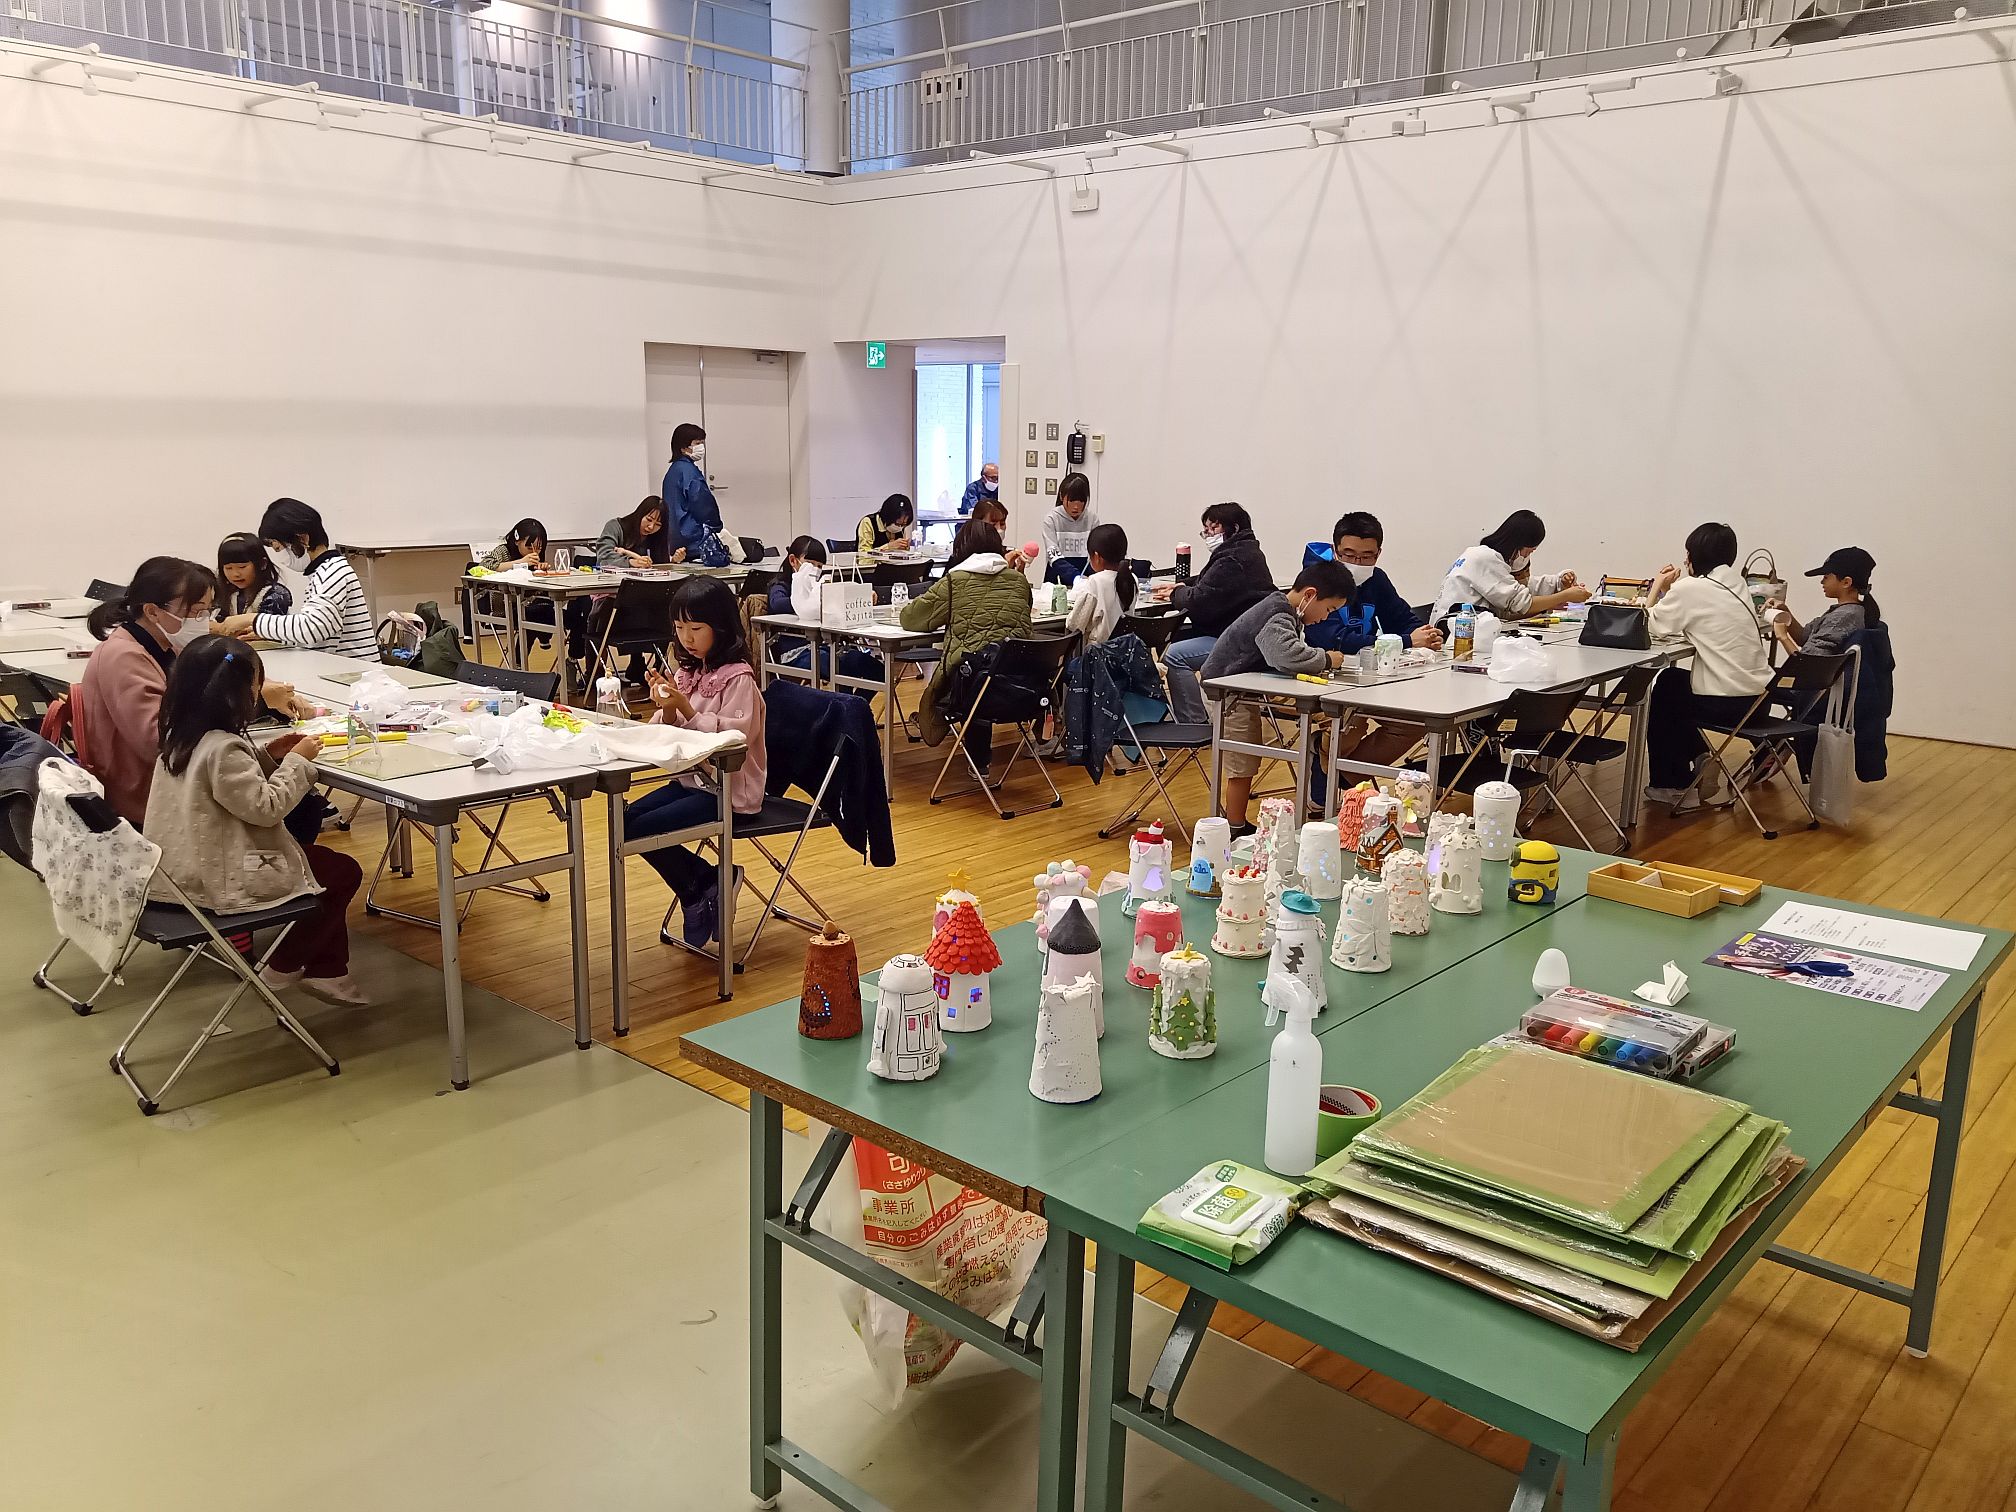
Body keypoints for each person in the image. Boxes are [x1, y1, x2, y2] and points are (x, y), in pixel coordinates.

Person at [144, 636, 367, 1004]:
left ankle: (329, 971)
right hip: (219, 877)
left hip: (177, 868)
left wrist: (268, 756)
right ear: (236, 694)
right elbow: (266, 808)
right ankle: (283, 966)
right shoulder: (224, 746)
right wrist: (298, 762)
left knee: (321, 864)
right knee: (340, 872)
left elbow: (223, 786)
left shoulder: (180, 735)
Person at [628, 578, 767, 948]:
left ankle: (698, 888)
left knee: (641, 828)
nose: (686, 638)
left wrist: (686, 710)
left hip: (728, 791)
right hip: (692, 781)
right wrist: (667, 708)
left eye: (696, 628)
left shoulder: (739, 678)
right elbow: (667, 731)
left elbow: (733, 740)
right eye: (679, 628)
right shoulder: (688, 672)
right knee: (624, 823)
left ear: (720, 627)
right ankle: (704, 882)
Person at [1199, 561, 1356, 832]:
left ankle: (1324, 764)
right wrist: (1326, 659)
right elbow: (1283, 655)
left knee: (1328, 714)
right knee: (1243, 762)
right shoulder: (1277, 613)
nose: (1326, 617)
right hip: (1225, 694)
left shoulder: (1285, 611)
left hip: (1249, 687)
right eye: (1329, 609)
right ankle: (1234, 827)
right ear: (1310, 595)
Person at [75, 558, 221, 826]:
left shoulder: (166, 644)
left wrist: (256, 681)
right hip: (143, 794)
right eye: (195, 612)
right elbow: (159, 742)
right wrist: (248, 701)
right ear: (153, 612)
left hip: (164, 780)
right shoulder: (124, 657)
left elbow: (219, 667)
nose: (203, 621)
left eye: (208, 611)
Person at [1643, 522, 1772, 813]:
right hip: (1759, 700)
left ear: (1694, 555)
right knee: (1673, 681)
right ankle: (1700, 756)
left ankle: (1674, 786)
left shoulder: (1691, 588)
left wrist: (1657, 586)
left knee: (1666, 693)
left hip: (1726, 704)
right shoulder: (1738, 585)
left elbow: (1647, 625)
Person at [899, 519, 1032, 773]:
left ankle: (977, 760)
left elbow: (911, 618)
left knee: (972, 668)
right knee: (985, 666)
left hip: (969, 686)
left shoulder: (954, 581)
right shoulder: (1019, 581)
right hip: (1021, 683)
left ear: (960, 549)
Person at [1153, 503, 1273, 726]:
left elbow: (1199, 600)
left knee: (1174, 655)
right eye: (1205, 530)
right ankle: (1190, 715)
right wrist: (1183, 585)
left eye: (1213, 528)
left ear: (1233, 528)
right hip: (1241, 633)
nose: (1208, 535)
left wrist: (1177, 593)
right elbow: (1208, 581)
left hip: (1242, 643)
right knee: (1173, 638)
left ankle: (1193, 723)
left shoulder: (1231, 559)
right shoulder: (1246, 551)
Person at [213, 498, 376, 659]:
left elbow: (313, 629)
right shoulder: (324, 572)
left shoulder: (332, 572)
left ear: (302, 539)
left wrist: (253, 620)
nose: (281, 557)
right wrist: (270, 633)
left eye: (279, 548)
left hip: (358, 672)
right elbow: (315, 634)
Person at [1306, 512, 1443, 653]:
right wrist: (1407, 641)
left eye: (1366, 556)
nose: (1357, 563)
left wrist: (1427, 635)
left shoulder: (1376, 579)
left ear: (1378, 554)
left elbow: (1401, 620)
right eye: (1349, 555)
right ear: (1335, 550)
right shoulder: (1316, 581)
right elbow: (1335, 640)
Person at [1431, 510, 1591, 625]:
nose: (1527, 557)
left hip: (1466, 629)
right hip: (1457, 633)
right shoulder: (1484, 558)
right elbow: (1522, 603)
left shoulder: (1487, 558)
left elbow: (1525, 587)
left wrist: (1559, 582)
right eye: (1529, 551)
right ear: (1517, 543)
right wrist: (1565, 596)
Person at [766, 537, 880, 686]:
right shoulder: (780, 585)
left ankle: (856, 701)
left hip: (826, 646)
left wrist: (858, 595)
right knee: (841, 670)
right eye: (810, 564)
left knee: (877, 670)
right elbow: (777, 604)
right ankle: (845, 701)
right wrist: (810, 601)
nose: (815, 570)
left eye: (819, 566)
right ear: (793, 561)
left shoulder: (818, 587)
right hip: (795, 652)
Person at [1766, 547, 1878, 659]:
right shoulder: (1848, 610)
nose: (1822, 581)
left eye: (1826, 577)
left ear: (1846, 582)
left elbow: (1807, 663)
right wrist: (1785, 612)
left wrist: (1783, 637)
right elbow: (1804, 638)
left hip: (1810, 669)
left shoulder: (1843, 617)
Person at [1066, 522, 1137, 648]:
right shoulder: (1132, 579)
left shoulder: (1096, 581)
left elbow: (1075, 624)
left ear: (1097, 556)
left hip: (1099, 655)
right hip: (1124, 651)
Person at [661, 424, 722, 561]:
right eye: (697, 443)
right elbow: (703, 505)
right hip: (694, 539)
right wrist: (716, 526)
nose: (701, 447)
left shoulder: (672, 471)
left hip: (675, 540)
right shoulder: (690, 473)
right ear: (683, 447)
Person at [214, 532, 291, 620]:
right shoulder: (225, 594)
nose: (235, 574)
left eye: (242, 567)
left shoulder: (275, 594)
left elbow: (265, 625)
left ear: (262, 564)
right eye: (229, 568)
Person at [1041, 473, 1099, 583]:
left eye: (1081, 501)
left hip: (1085, 578)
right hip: (1057, 578)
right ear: (1062, 496)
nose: (1076, 506)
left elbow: (1095, 554)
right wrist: (1076, 577)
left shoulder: (1092, 519)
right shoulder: (1052, 519)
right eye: (1071, 500)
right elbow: (1053, 555)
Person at [596, 497, 674, 569]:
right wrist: (631, 562)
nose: (651, 527)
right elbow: (603, 559)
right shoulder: (615, 526)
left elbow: (661, 564)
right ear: (640, 514)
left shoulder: (658, 536)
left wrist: (673, 561)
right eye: (649, 520)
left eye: (658, 524)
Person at [479, 518, 548, 571]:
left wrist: (541, 568)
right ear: (517, 541)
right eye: (529, 548)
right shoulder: (504, 551)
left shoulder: (538, 554)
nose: (534, 552)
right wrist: (521, 562)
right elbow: (483, 566)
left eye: (539, 548)